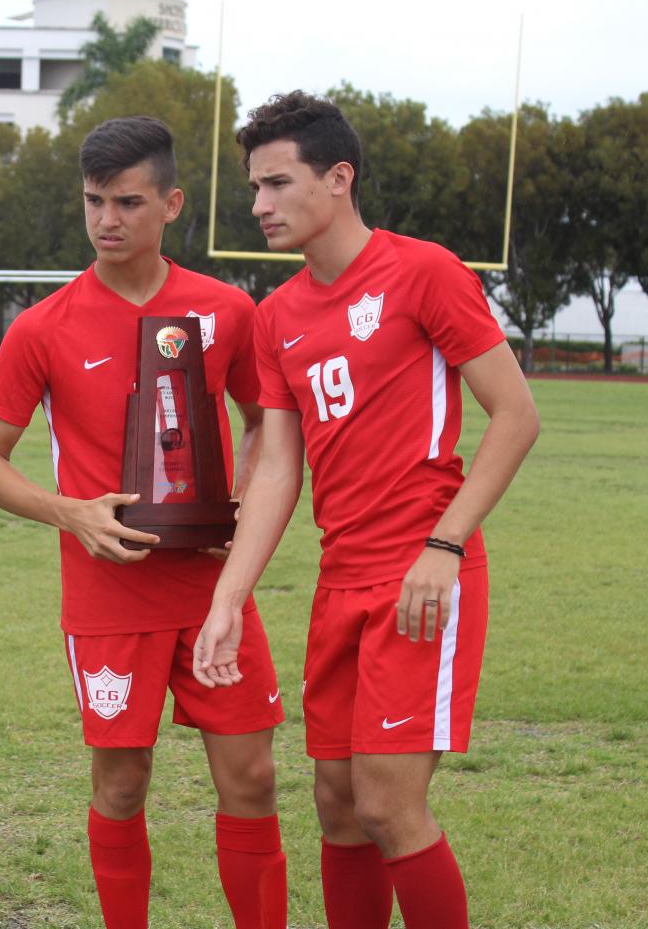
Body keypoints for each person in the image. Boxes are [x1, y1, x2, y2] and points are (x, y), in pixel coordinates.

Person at [193, 93, 541, 929]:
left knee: (388, 806)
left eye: (277, 184)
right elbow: (277, 468)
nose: (258, 205)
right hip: (339, 580)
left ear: (338, 178)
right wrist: (228, 596)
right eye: (253, 187)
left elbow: (516, 414)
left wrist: (444, 544)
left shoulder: (421, 271)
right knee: (338, 803)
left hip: (420, 573)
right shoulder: (276, 318)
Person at [0, 116, 288, 928]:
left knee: (250, 779)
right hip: (108, 601)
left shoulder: (225, 311)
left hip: (214, 593)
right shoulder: (43, 327)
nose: (107, 219)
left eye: (127, 201)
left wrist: (241, 497)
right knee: (120, 784)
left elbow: (262, 424)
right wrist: (68, 511)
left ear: (171, 204)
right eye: (93, 201)